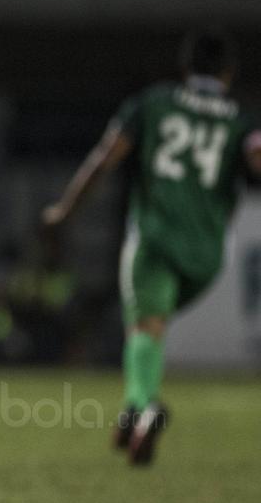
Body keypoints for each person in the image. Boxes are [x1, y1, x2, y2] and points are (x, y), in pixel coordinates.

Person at [43, 28, 261, 466]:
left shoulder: (153, 103)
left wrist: (65, 210)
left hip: (155, 240)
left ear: (185, 68)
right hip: (206, 255)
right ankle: (131, 412)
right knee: (150, 326)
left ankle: (145, 408)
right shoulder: (242, 118)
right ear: (228, 73)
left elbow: (105, 158)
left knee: (144, 327)